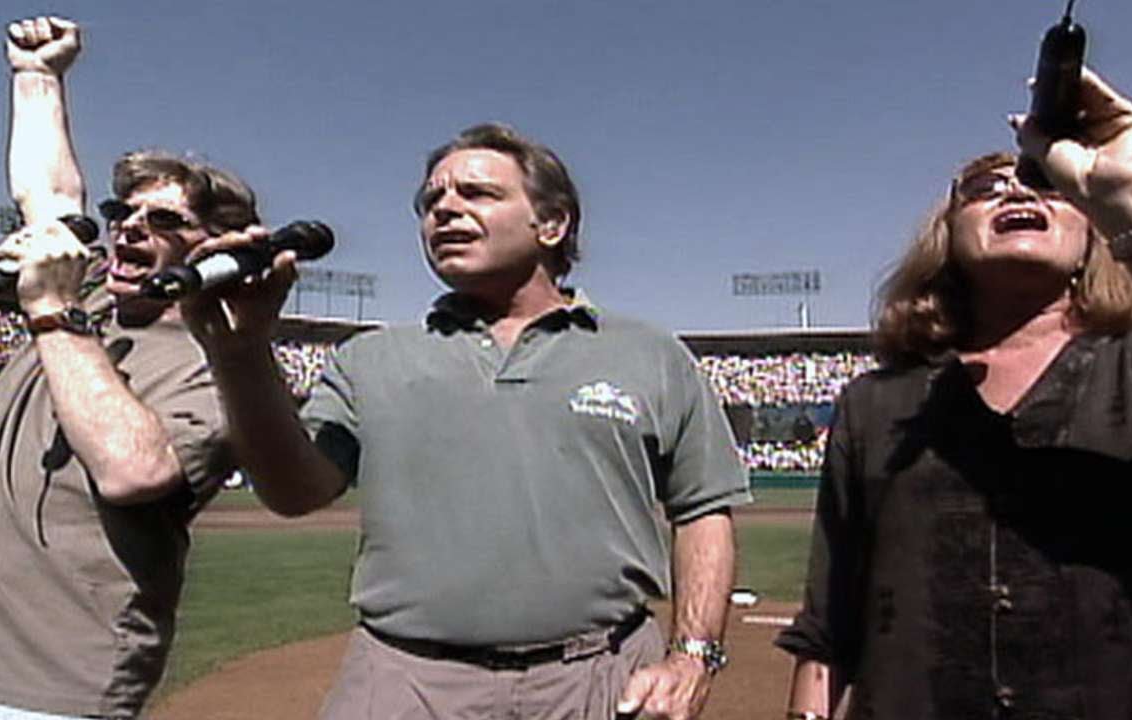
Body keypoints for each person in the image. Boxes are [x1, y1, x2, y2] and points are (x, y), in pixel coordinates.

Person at [182, 123, 751, 719]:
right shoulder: (369, 358)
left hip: (603, 679)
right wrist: (240, 353)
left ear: (552, 225)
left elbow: (702, 509)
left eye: (477, 194)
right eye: (432, 201)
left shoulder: (649, 353)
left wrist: (693, 655)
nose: (445, 210)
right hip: (404, 681)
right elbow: (294, 493)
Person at [777, 67, 1132, 720]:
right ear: (949, 239)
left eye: (1046, 184)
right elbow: (829, 621)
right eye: (983, 189)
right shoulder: (876, 404)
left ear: (1089, 238)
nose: (1017, 189)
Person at [0, 17, 251, 718]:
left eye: (165, 221)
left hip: (37, 688)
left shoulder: (224, 367)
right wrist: (37, 77)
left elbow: (135, 470)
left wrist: (54, 312)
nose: (128, 227)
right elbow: (50, 198)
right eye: (124, 211)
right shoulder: (90, 304)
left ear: (218, 249)